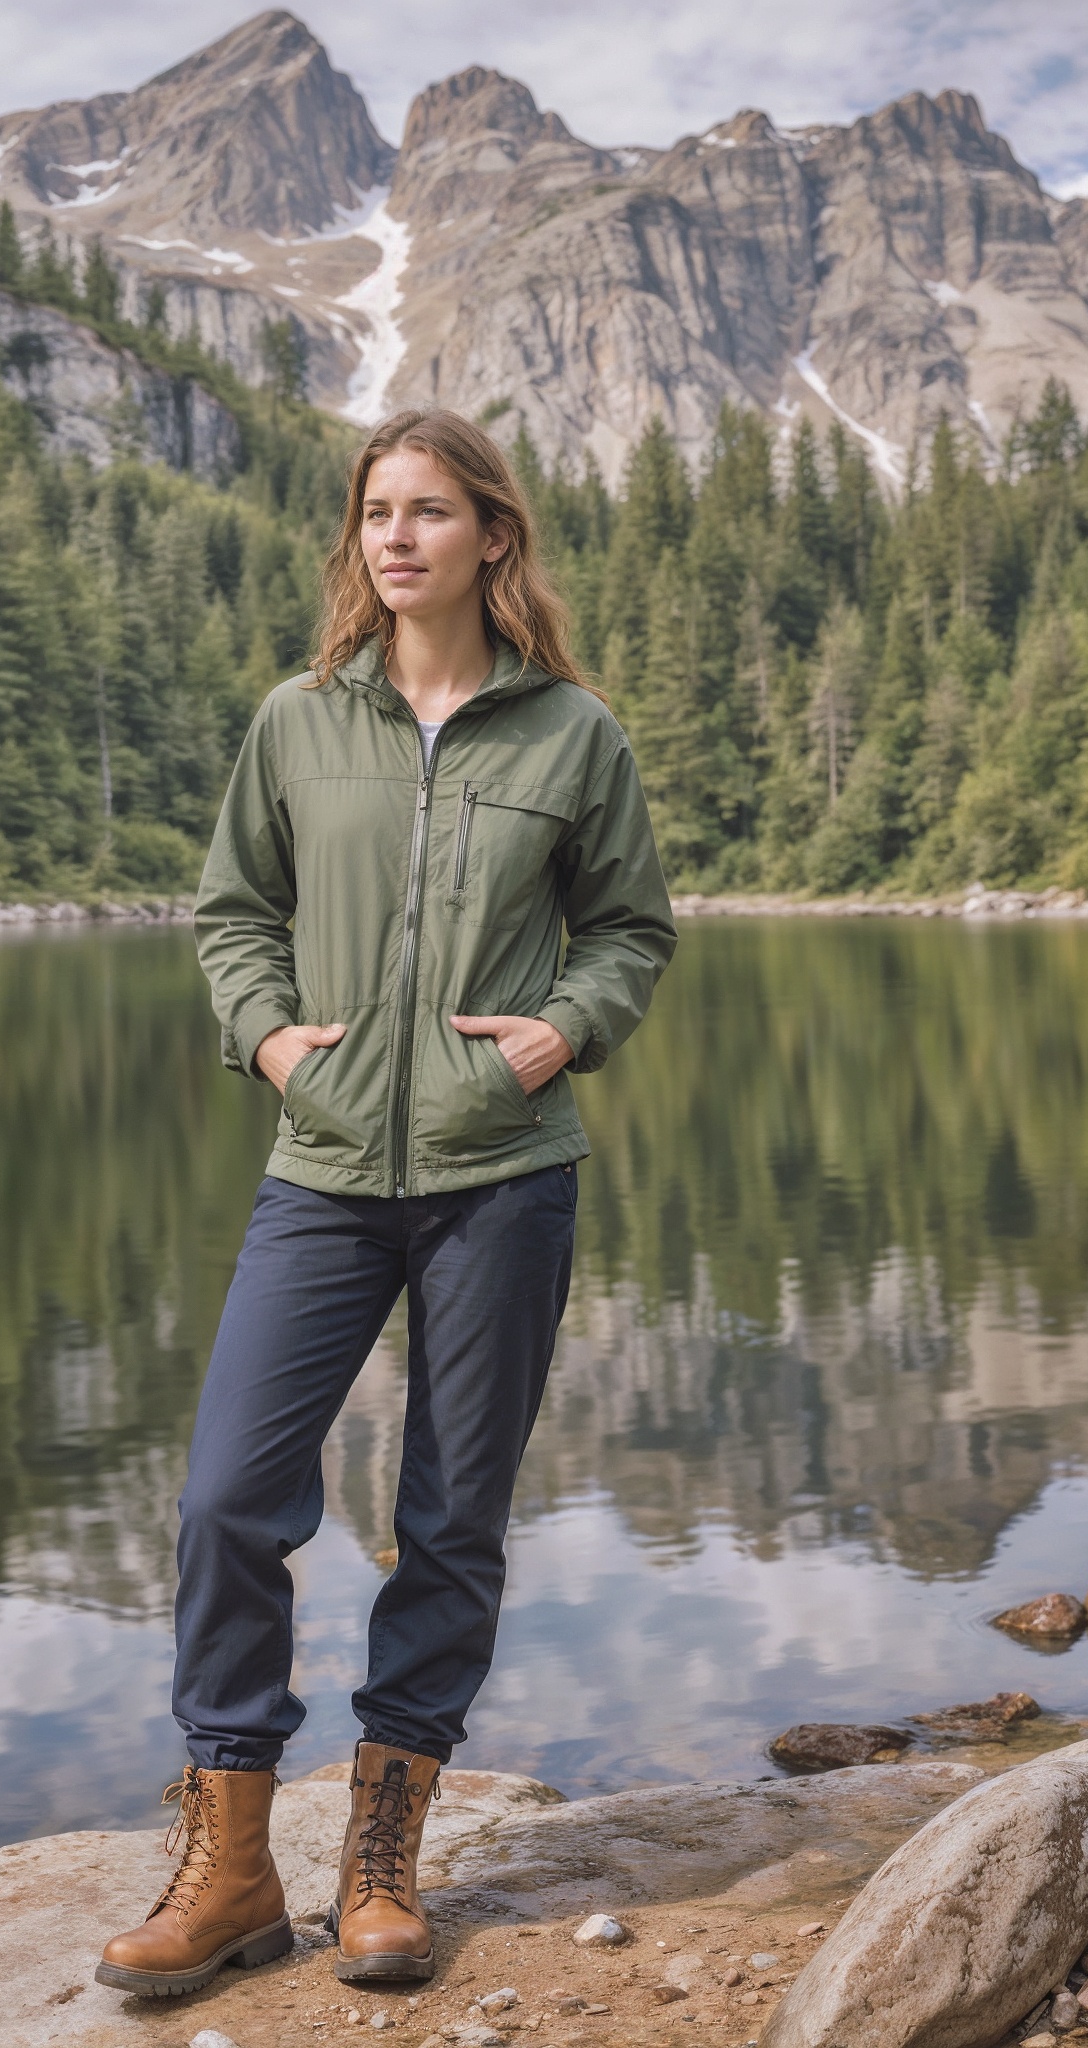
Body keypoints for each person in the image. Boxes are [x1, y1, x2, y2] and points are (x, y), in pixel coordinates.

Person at [97, 408, 677, 1999]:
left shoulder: (573, 735)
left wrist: (568, 1029)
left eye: (432, 511)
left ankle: (380, 1862)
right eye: (377, 514)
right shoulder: (299, 721)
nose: (399, 537)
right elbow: (232, 916)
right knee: (229, 1497)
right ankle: (224, 1869)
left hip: (507, 1175)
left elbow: (631, 929)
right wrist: (272, 1037)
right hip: (327, 1171)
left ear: (496, 536)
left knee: (447, 1520)